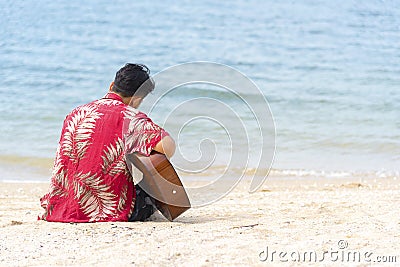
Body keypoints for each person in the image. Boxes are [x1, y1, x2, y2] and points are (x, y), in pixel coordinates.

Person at [39, 63, 175, 222]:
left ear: (112, 85)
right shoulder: (131, 118)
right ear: (138, 98)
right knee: (153, 178)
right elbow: (168, 146)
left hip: (62, 207)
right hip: (106, 209)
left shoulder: (76, 112)